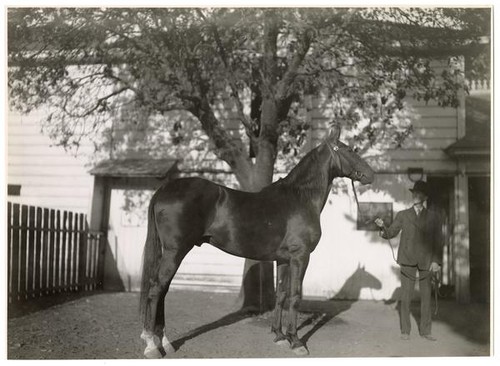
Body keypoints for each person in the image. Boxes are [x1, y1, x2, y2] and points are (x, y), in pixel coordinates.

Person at [375, 180, 443, 341]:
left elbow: (438, 241)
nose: (415, 196)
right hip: (407, 259)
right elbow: (390, 232)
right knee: (406, 297)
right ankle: (405, 330)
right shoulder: (403, 215)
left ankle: (425, 331)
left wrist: (436, 262)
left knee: (426, 297)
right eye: (414, 193)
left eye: (419, 194)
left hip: (427, 261)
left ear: (425, 197)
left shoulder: (434, 217)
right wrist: (381, 227)